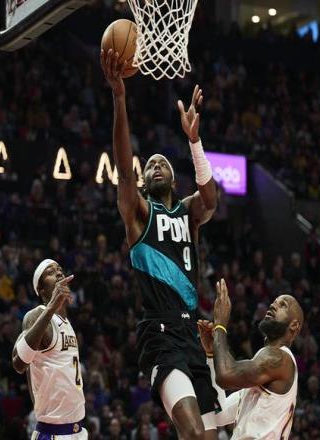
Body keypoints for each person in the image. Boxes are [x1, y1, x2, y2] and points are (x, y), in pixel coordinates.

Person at [101, 49, 218, 439]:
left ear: (173, 177)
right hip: (161, 334)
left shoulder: (188, 212)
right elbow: (123, 169)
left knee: (207, 436)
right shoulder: (138, 213)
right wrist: (119, 97)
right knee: (195, 433)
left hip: (192, 333)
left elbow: (211, 200)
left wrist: (194, 143)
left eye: (162, 163)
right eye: (149, 164)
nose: (154, 165)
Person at [198, 279, 304, 439]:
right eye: (274, 302)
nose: (273, 305)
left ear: (294, 325)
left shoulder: (280, 358)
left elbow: (225, 375)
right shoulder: (261, 374)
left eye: (283, 305)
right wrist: (212, 356)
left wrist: (220, 325)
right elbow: (220, 415)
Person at [12, 259, 86, 439]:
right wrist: (52, 306)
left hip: (78, 431)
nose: (59, 273)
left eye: (60, 269)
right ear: (41, 289)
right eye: (51, 272)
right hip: (53, 432)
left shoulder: (67, 323)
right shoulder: (36, 315)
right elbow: (19, 363)